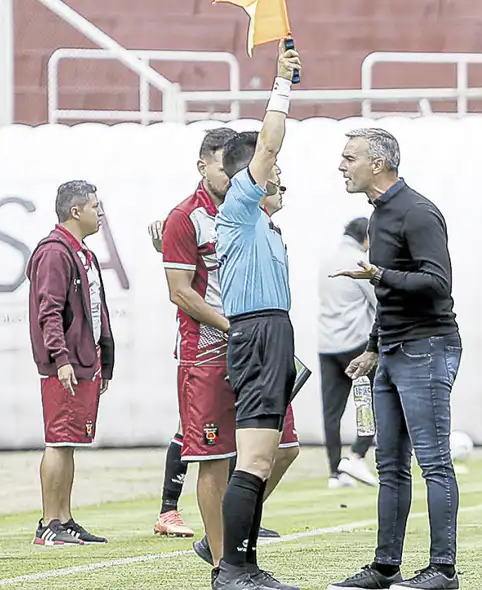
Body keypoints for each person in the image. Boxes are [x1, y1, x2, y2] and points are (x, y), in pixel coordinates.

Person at [146, 135, 298, 565]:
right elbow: (180, 292)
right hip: (208, 350)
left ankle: (228, 528)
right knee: (213, 459)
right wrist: (234, 327)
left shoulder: (259, 214)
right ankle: (221, 560)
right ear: (203, 167)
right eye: (221, 169)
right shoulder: (184, 217)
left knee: (283, 449)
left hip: (256, 347)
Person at [329, 128, 462, 590]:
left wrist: (378, 272)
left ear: (379, 163)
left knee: (434, 463)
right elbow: (389, 297)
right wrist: (371, 348)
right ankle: (386, 567)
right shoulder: (379, 215)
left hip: (427, 347)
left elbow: (436, 283)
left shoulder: (418, 212)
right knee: (390, 465)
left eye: (349, 158)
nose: (342, 166)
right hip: (392, 351)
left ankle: (443, 570)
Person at [210, 39, 302, 590]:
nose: (281, 177)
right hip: (258, 333)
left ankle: (243, 566)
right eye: (274, 170)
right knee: (255, 459)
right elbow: (266, 145)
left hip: (272, 332)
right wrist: (283, 82)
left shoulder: (263, 224)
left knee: (262, 459)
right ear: (252, 177)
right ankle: (233, 569)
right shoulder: (241, 208)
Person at [27, 180, 114, 546]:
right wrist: (60, 359)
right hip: (65, 365)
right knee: (58, 440)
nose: (102, 213)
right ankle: (49, 523)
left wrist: (103, 359)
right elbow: (49, 311)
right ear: (75, 211)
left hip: (84, 360)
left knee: (70, 442)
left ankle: (64, 518)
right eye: (96, 206)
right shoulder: (54, 252)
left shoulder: (83, 253)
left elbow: (95, 311)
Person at [317, 217, 377, 488]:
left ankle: (334, 472)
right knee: (374, 400)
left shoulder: (327, 261)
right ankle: (357, 453)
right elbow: (378, 301)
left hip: (327, 344)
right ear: (366, 238)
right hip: (356, 344)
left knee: (332, 412)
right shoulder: (359, 261)